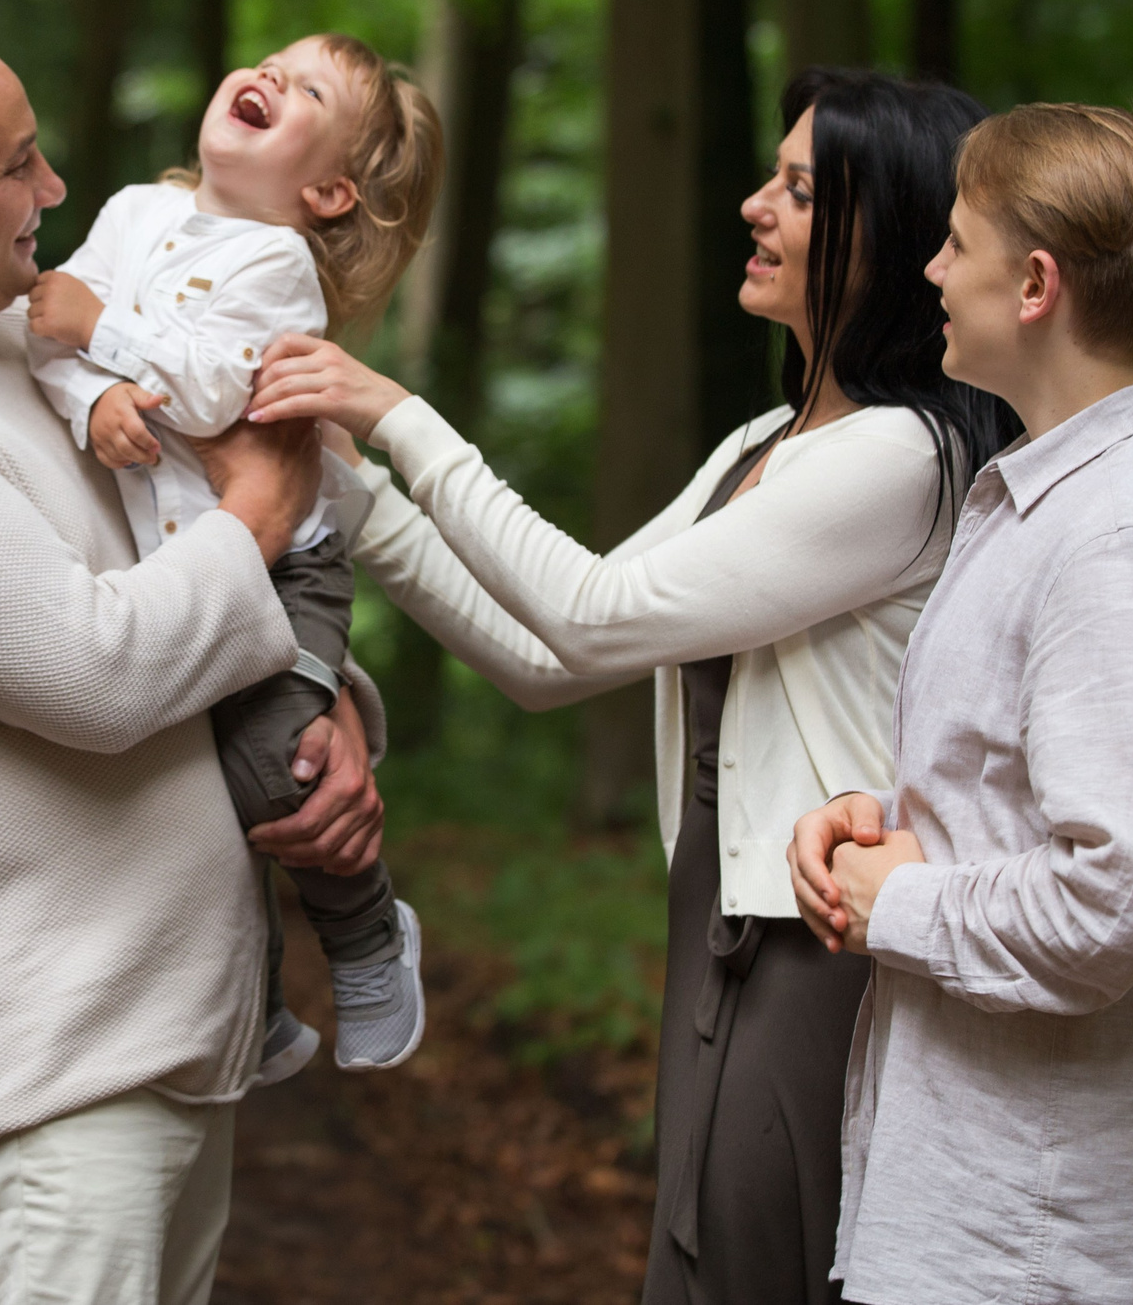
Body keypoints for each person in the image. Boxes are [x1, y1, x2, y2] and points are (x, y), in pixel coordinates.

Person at [245, 71, 1016, 1305]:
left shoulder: (903, 459)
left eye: (801, 190)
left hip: (816, 942)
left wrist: (398, 419)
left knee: (753, 1266)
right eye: (771, 177)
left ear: (891, 238)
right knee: (692, 1258)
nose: (756, 207)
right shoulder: (758, 452)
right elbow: (549, 659)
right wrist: (345, 488)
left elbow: (590, 619)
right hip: (714, 927)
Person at [0, 26, 387, 1305]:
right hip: (44, 1082)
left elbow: (170, 580)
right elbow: (100, 672)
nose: (56, 192)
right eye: (20, 164)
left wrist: (332, 704)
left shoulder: (12, 358)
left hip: (165, 1042)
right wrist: (254, 518)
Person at [788, 104, 1133, 1304]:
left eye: (956, 243)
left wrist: (901, 900)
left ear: (1037, 283)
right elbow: (1040, 796)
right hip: (1003, 1204)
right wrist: (889, 818)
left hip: (1047, 1236)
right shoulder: (1051, 495)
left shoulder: (1114, 536)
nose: (932, 270)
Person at [25, 32, 445, 1077]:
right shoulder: (131, 213)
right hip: (164, 561)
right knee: (185, 811)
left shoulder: (279, 267)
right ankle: (252, 1004)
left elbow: (220, 393)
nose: (266, 76)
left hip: (276, 567)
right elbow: (45, 333)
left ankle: (366, 934)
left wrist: (106, 336)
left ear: (331, 192)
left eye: (305, 91)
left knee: (277, 772)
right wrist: (96, 402)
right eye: (268, 60)